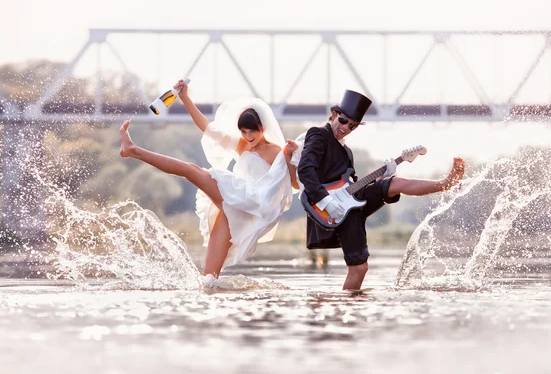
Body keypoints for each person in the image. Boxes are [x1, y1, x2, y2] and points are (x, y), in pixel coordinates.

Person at [119, 79, 299, 278]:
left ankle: (133, 150)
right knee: (209, 277)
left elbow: (293, 183)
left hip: (250, 200)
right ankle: (212, 302)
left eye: (252, 131)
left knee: (191, 170)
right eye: (244, 131)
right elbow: (207, 127)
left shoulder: (276, 152)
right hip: (233, 206)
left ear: (262, 128)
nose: (248, 136)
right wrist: (185, 98)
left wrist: (290, 156)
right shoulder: (243, 145)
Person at [296, 89, 465, 290]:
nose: (346, 128)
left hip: (351, 200)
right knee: (359, 268)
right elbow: (305, 170)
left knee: (395, 183)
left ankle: (446, 183)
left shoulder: (347, 151)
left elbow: (350, 183)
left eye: (352, 125)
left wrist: (384, 175)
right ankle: (342, 314)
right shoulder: (318, 134)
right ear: (333, 114)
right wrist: (326, 201)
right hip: (330, 208)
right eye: (342, 120)